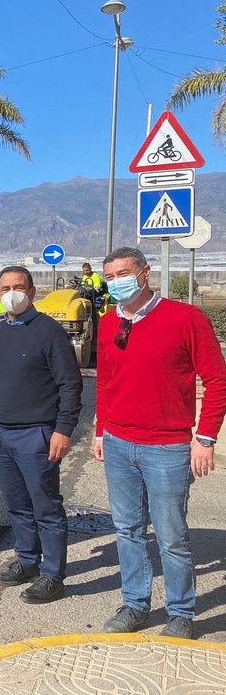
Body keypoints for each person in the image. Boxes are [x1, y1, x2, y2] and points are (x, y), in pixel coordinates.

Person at [94, 247, 226, 639]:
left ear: (145, 273)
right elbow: (105, 381)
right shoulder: (108, 322)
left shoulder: (186, 319)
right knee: (127, 530)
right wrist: (101, 430)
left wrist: (205, 439)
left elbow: (217, 380)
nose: (116, 282)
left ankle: (181, 612)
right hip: (118, 442)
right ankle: (135, 605)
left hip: (166, 448)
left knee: (171, 536)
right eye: (109, 276)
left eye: (123, 273)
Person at [0, 266, 83, 604]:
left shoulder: (49, 332)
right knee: (17, 505)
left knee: (46, 507)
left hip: (37, 434)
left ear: (32, 292)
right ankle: (28, 561)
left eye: (18, 287)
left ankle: (53, 576)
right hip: (0, 432)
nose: (11, 294)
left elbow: (70, 385)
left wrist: (63, 430)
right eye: (5, 288)